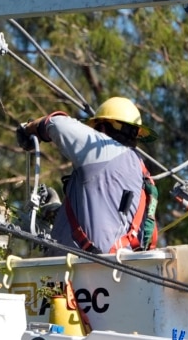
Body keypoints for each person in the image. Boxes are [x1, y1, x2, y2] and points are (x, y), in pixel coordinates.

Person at [16, 97, 159, 254]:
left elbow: (57, 124)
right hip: (119, 271)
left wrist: (30, 129)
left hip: (82, 271)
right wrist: (57, 211)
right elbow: (109, 220)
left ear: (102, 129)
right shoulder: (142, 174)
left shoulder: (102, 150)